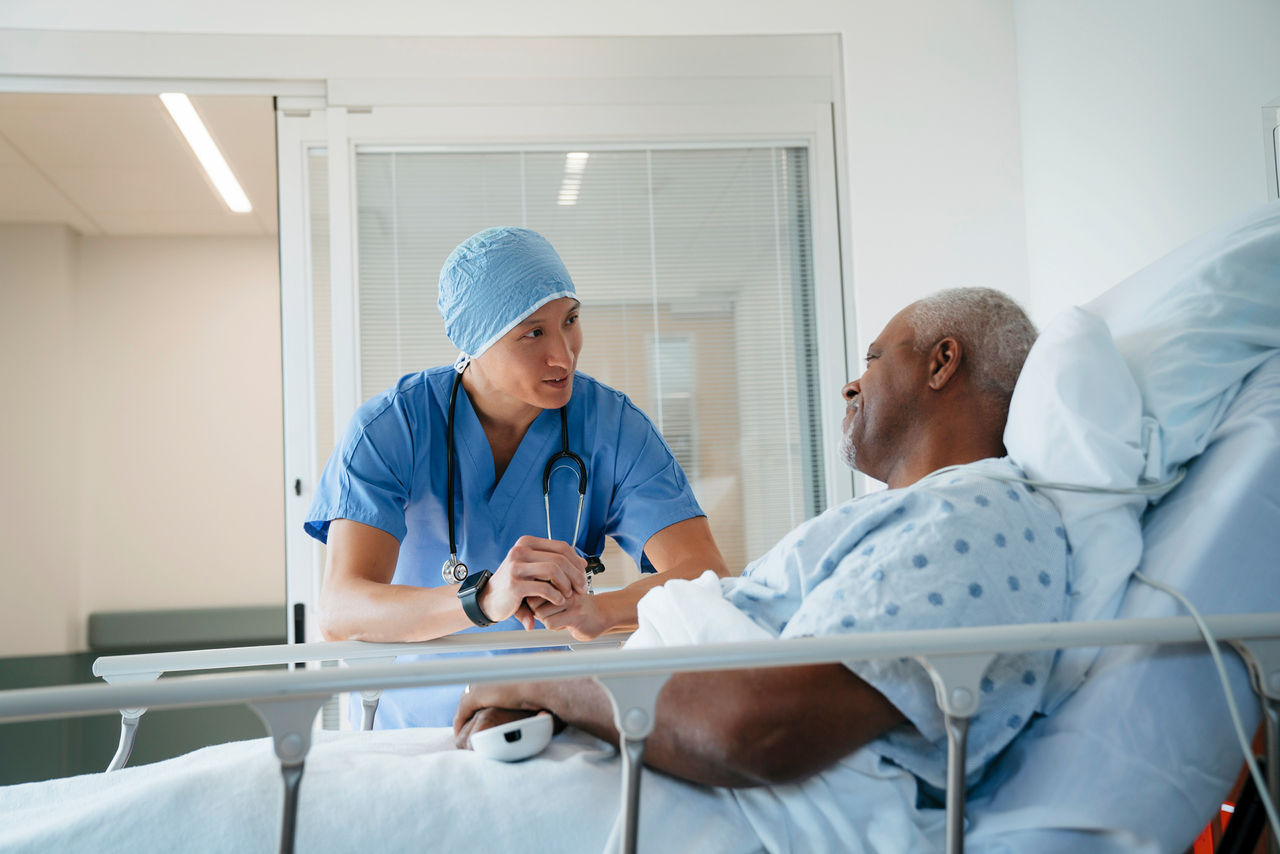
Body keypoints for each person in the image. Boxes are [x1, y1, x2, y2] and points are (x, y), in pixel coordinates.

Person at [456, 287, 1069, 806]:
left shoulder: (971, 520)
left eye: (876, 358)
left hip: (709, 784)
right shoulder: (906, 517)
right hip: (650, 736)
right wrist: (549, 702)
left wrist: (539, 685)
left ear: (942, 363)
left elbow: (763, 730)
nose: (850, 387)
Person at [305, 226, 728, 728]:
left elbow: (706, 576)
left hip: (544, 724)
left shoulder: (611, 426)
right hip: (408, 732)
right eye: (533, 333)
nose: (564, 355)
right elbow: (340, 609)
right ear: (475, 342)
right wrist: (483, 599)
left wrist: (603, 611)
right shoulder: (394, 428)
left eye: (570, 320)